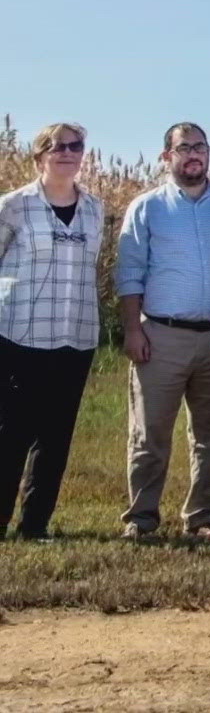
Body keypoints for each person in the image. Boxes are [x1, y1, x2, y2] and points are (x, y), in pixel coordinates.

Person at [115, 122, 210, 538]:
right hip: (161, 335)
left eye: (201, 147)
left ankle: (203, 517)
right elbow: (129, 272)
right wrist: (132, 330)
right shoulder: (147, 207)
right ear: (166, 156)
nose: (194, 154)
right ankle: (142, 517)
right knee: (150, 432)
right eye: (184, 147)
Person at [0, 123, 104, 539]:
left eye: (75, 146)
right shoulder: (14, 206)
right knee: (11, 433)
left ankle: (35, 525)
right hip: (19, 333)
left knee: (56, 435)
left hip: (75, 335)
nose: (67, 153)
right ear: (40, 155)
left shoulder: (95, 209)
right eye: (57, 146)